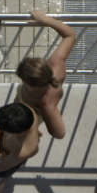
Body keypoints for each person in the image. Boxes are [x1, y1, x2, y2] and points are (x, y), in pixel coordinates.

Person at [13, 10, 77, 140]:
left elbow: (59, 134)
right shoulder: (56, 65)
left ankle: (33, 131)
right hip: (25, 101)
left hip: (32, 111)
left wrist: (45, 115)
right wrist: (45, 20)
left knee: (19, 131)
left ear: (31, 86)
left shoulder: (46, 104)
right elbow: (69, 35)